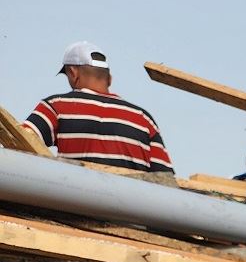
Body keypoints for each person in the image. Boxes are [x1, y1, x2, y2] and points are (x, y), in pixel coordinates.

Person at [22, 41, 173, 173]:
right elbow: (165, 180)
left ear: (73, 73)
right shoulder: (143, 119)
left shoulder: (56, 107)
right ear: (110, 79)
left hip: (74, 203)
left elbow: (19, 141)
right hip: (131, 205)